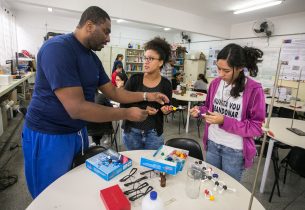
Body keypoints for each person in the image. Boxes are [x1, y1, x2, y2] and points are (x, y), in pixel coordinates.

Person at [22, 6, 169, 198]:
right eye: (106, 31)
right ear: (90, 26)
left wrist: (147, 96)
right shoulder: (57, 49)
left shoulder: (92, 58)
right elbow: (77, 108)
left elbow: (114, 92)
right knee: (49, 194)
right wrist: (126, 113)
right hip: (49, 134)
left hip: (77, 132)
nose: (108, 38)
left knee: (73, 188)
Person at [190, 43, 265, 181]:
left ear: (240, 68)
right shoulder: (215, 84)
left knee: (228, 188)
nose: (220, 74)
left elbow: (256, 127)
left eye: (226, 70)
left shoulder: (254, 89)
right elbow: (209, 109)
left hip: (234, 150)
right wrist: (199, 111)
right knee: (210, 183)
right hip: (213, 142)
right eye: (218, 68)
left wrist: (224, 121)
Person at [121, 37, 173, 150]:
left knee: (152, 164)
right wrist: (144, 109)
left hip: (154, 133)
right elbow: (123, 104)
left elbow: (169, 106)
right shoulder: (134, 80)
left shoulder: (166, 84)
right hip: (132, 131)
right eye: (145, 58)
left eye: (151, 58)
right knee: (134, 163)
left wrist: (166, 110)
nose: (146, 61)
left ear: (160, 62)